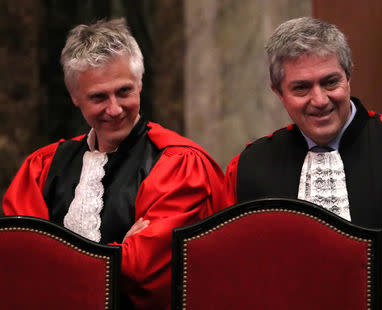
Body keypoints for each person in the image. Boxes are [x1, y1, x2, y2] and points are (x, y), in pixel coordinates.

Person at [225, 17, 382, 309]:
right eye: (301, 88)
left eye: (330, 82)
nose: (320, 100)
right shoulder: (248, 168)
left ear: (348, 75)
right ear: (278, 92)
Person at [3, 18, 225, 310]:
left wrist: (57, 260)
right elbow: (18, 260)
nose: (115, 109)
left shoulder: (177, 163)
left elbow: (145, 272)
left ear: (140, 84)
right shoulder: (42, 168)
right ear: (75, 97)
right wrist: (117, 253)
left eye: (124, 91)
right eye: (98, 97)